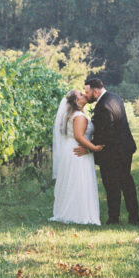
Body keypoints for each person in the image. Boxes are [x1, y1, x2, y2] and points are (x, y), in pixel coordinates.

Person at [77, 76, 139, 225]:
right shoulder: (114, 97)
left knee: (112, 186)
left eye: (87, 92)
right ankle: (134, 217)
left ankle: (114, 218)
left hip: (113, 153)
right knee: (127, 183)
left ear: (96, 91)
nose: (86, 95)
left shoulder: (103, 107)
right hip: (125, 147)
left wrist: (90, 148)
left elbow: (105, 135)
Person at [50, 89, 103, 225]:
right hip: (78, 151)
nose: (84, 95)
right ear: (75, 101)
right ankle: (78, 214)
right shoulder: (78, 116)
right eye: (80, 94)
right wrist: (93, 148)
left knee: (72, 181)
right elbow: (79, 136)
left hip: (70, 150)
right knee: (79, 181)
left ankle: (69, 211)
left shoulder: (73, 115)